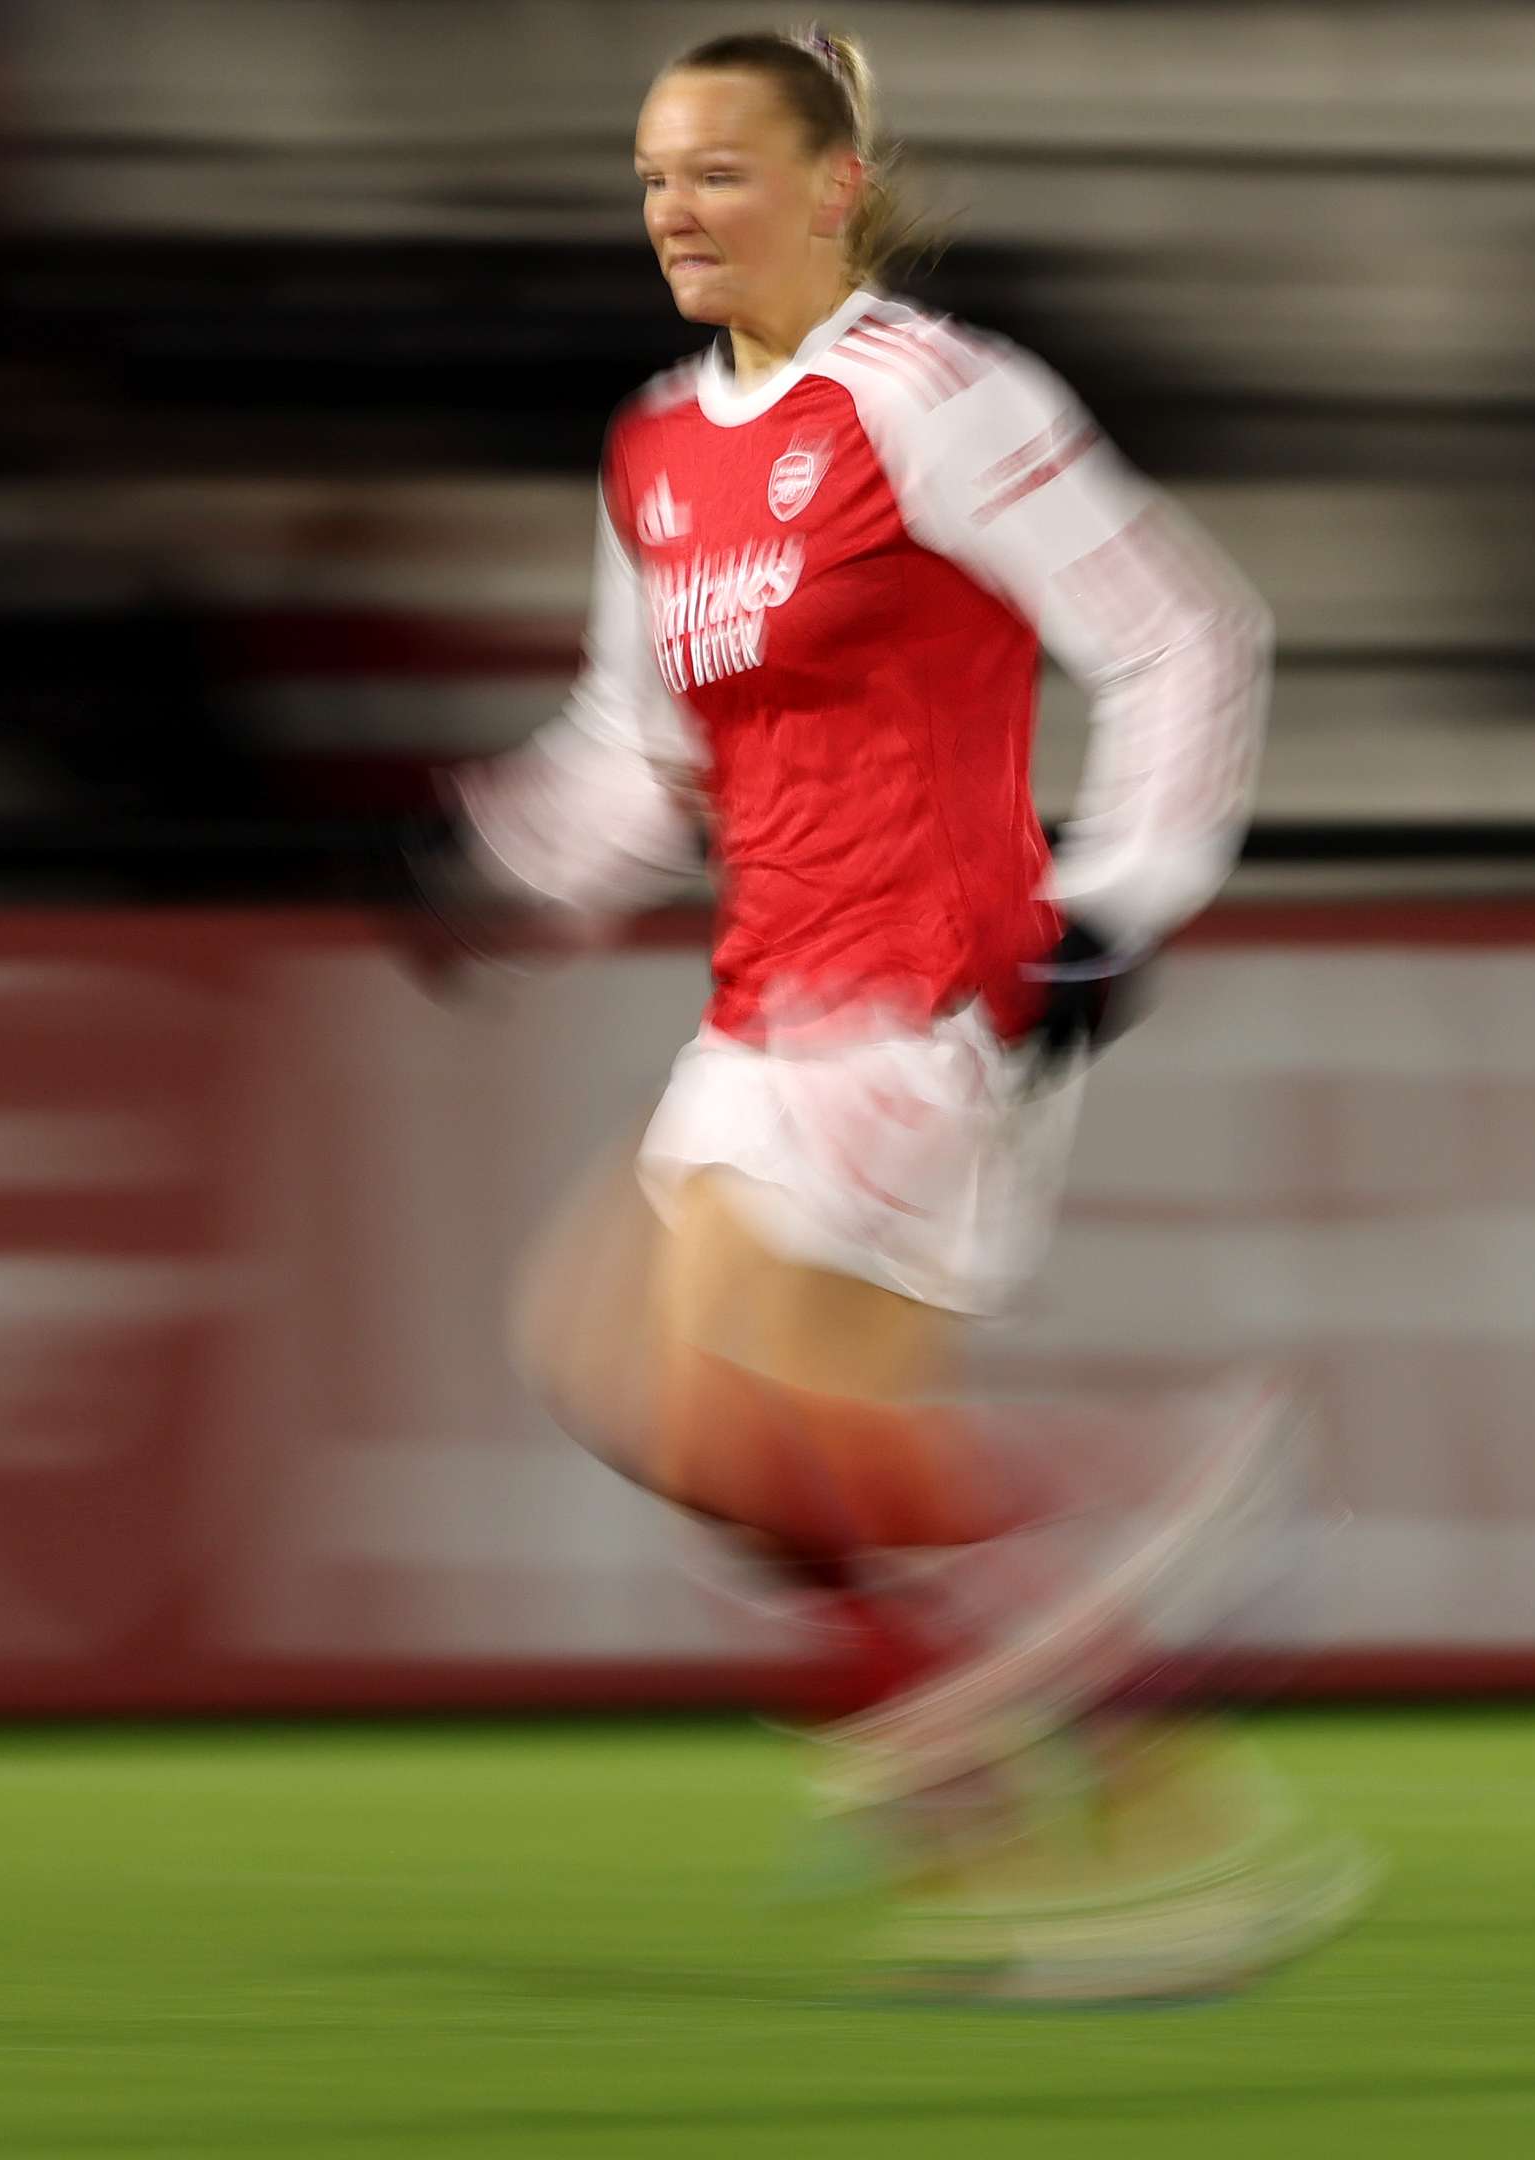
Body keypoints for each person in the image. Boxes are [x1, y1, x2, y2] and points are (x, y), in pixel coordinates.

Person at [410, 24, 1367, 2001]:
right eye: (656, 172)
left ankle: (1154, 1505)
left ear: (834, 187)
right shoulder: (660, 450)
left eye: (723, 167)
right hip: (766, 1012)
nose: (676, 204)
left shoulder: (934, 398)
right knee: (727, 1452)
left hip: (941, 1000)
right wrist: (499, 861)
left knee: (677, 1392)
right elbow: (638, 748)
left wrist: (1120, 906)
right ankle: (1119, 1839)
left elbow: (1187, 631)